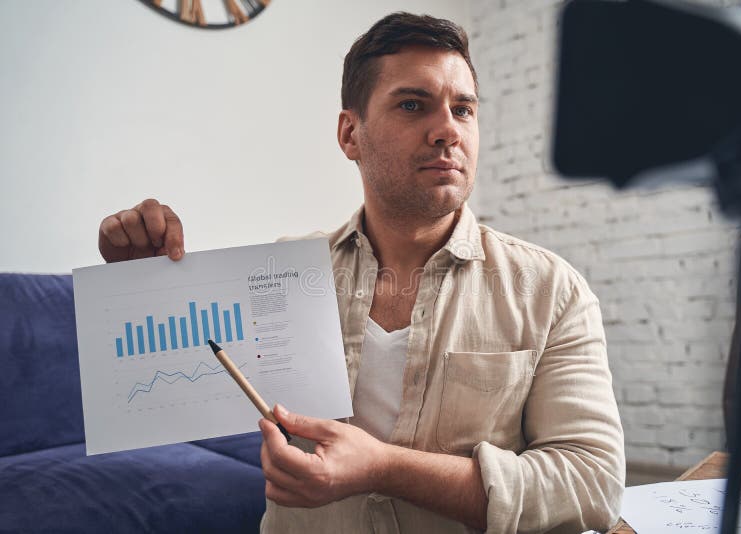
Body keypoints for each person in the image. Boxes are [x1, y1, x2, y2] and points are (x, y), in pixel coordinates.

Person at [97, 12, 625, 534]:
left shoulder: (550, 291)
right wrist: (142, 286)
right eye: (413, 104)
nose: (446, 130)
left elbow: (592, 485)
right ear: (351, 134)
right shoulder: (281, 277)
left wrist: (383, 467)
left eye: (463, 109)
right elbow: (171, 382)